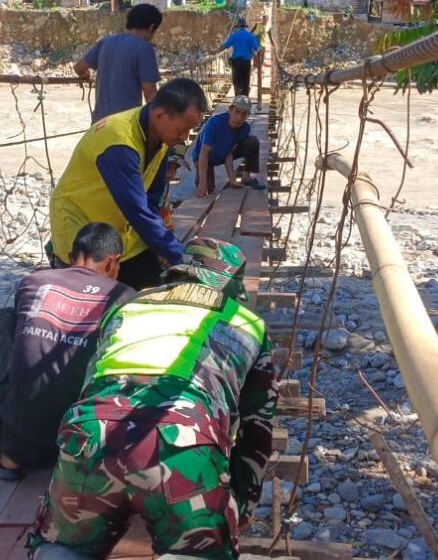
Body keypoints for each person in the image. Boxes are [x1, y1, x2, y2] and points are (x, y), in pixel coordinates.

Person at [30, 237, 277, 560]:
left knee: (62, 550)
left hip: (91, 434)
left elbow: (91, 382)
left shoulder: (130, 305)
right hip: (184, 443)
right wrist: (241, 504)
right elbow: (258, 429)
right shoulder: (247, 323)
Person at [0, 223, 134, 479]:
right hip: (81, 440)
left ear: (70, 256)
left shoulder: (34, 281)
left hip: (20, 445)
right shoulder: (127, 298)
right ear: (112, 262)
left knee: (2, 319)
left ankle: (8, 449)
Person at [49, 77, 209, 291]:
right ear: (161, 115)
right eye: (183, 129)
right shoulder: (119, 142)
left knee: (151, 286)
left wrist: (167, 246)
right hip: (83, 229)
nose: (185, 137)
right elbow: (137, 210)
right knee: (91, 301)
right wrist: (178, 255)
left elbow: (153, 198)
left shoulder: (161, 138)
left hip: (120, 230)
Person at [75, 3, 163, 123]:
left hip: (98, 126)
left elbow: (79, 68)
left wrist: (87, 75)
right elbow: (151, 97)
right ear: (151, 27)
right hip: (123, 127)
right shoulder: (144, 49)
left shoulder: (106, 42)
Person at [191, 95, 263, 197]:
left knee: (253, 142)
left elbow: (228, 153)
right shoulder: (215, 123)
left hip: (221, 153)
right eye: (237, 112)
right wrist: (203, 184)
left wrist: (232, 179)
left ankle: (247, 177)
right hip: (204, 156)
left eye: (244, 114)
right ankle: (202, 178)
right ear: (230, 109)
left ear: (248, 115)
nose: (239, 118)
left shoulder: (245, 128)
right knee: (207, 189)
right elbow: (204, 152)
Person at [220, 16, 261, 98]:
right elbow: (257, 48)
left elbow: (225, 46)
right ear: (245, 26)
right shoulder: (250, 36)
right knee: (246, 82)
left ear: (238, 26)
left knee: (236, 82)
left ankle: (237, 100)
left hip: (237, 62)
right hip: (246, 62)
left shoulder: (234, 35)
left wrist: (214, 52)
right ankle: (244, 101)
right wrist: (257, 60)